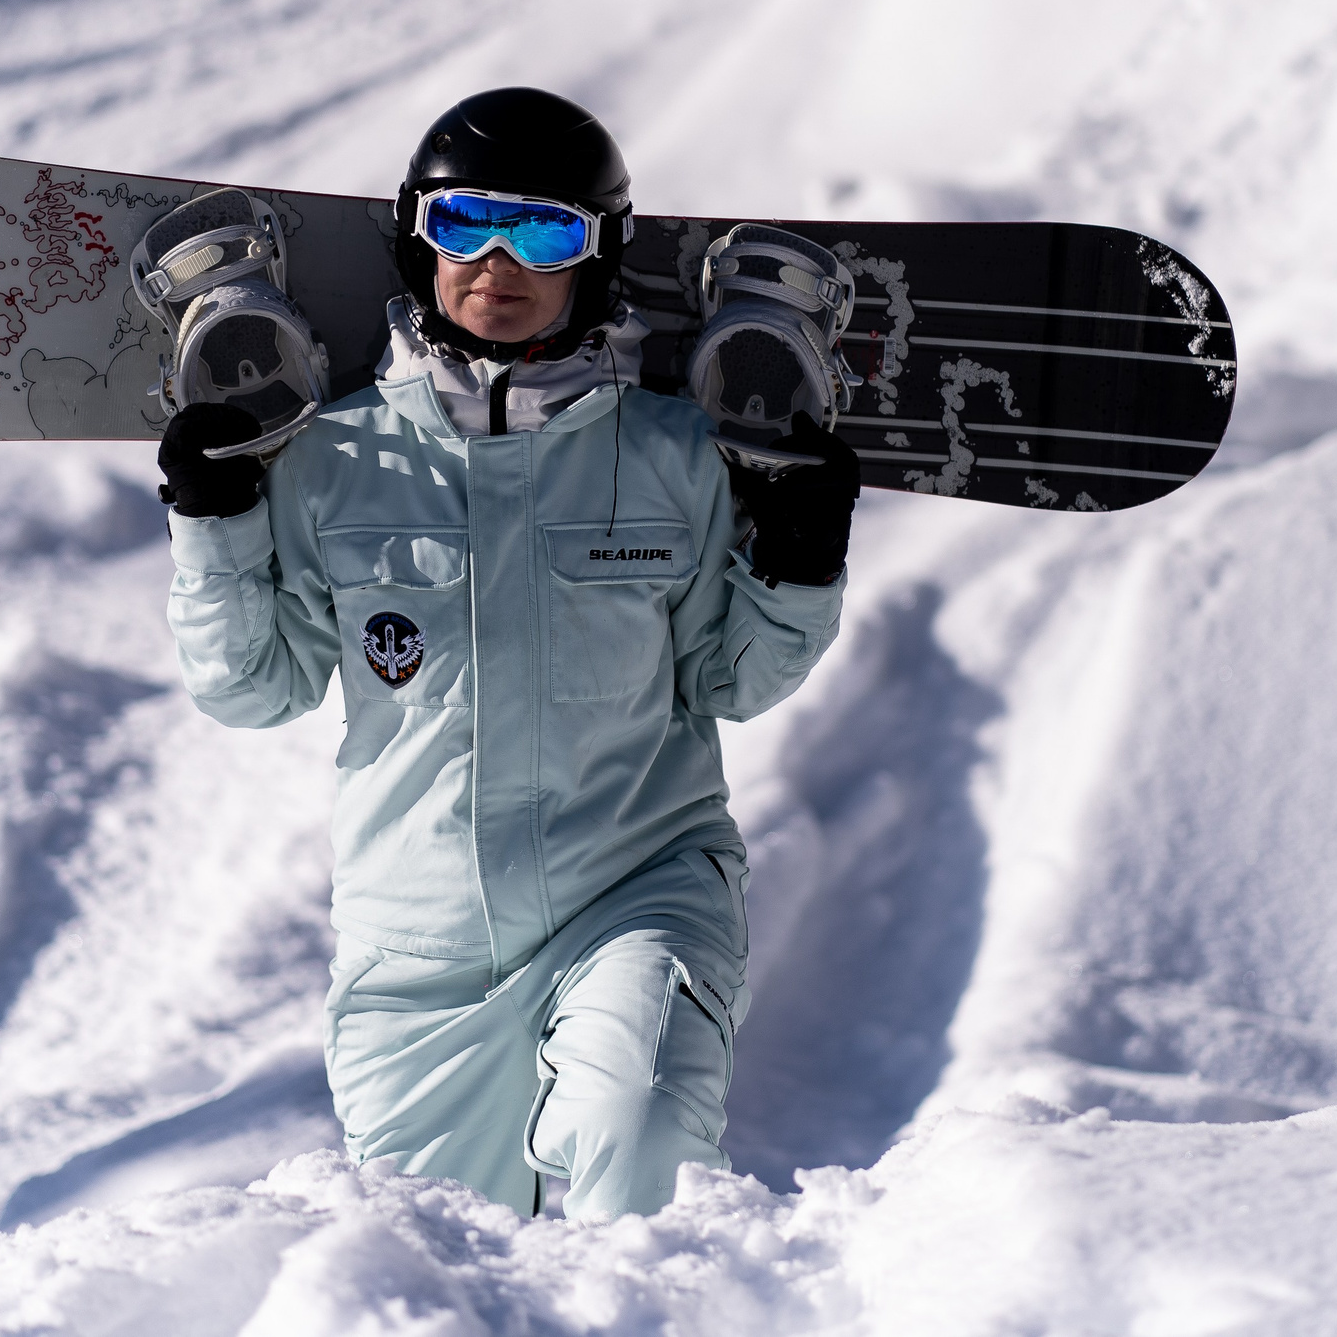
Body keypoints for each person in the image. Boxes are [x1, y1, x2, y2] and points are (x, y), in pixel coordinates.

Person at [156, 87, 859, 1219]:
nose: (498, 260)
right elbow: (252, 688)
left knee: (638, 1138)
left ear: (598, 255)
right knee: (448, 1259)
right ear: (416, 239)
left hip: (634, 891)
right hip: (416, 951)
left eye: (543, 231)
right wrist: (215, 518)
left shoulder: (677, 456)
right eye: (465, 222)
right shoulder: (333, 461)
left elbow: (732, 679)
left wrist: (799, 552)